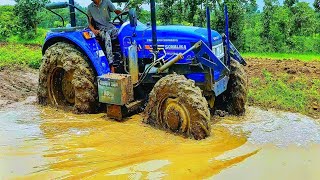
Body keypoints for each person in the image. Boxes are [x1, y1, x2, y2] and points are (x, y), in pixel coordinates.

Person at [87, 0, 122, 65]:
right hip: (101, 30)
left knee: (122, 32)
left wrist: (122, 13)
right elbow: (89, 23)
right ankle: (111, 63)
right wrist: (94, 30)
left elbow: (116, 11)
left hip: (110, 27)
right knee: (107, 36)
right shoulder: (90, 7)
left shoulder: (107, 2)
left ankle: (123, 57)